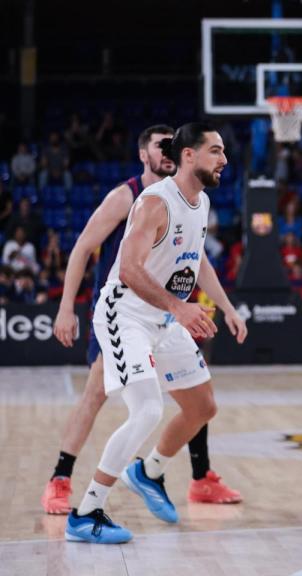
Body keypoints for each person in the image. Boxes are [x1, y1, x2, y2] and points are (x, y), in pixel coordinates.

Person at [43, 126, 243, 516]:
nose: (224, 160)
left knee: (201, 404)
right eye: (216, 151)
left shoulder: (197, 200)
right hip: (125, 310)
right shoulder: (138, 198)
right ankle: (69, 487)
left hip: (162, 315)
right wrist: (66, 306)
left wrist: (226, 307)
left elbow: (196, 260)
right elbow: (90, 249)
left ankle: (157, 472)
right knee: (117, 400)